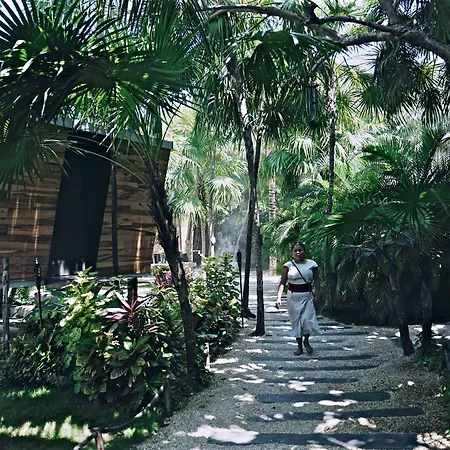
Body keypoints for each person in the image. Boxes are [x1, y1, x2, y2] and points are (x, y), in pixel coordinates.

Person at [275, 242, 321, 355]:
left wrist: (317, 295)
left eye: (300, 250)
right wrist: (278, 298)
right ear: (292, 253)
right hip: (293, 297)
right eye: (295, 250)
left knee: (307, 320)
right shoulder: (287, 266)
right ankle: (299, 346)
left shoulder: (312, 264)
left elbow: (317, 280)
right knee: (296, 322)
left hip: (307, 296)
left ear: (304, 251)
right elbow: (282, 282)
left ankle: (306, 341)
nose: (298, 252)